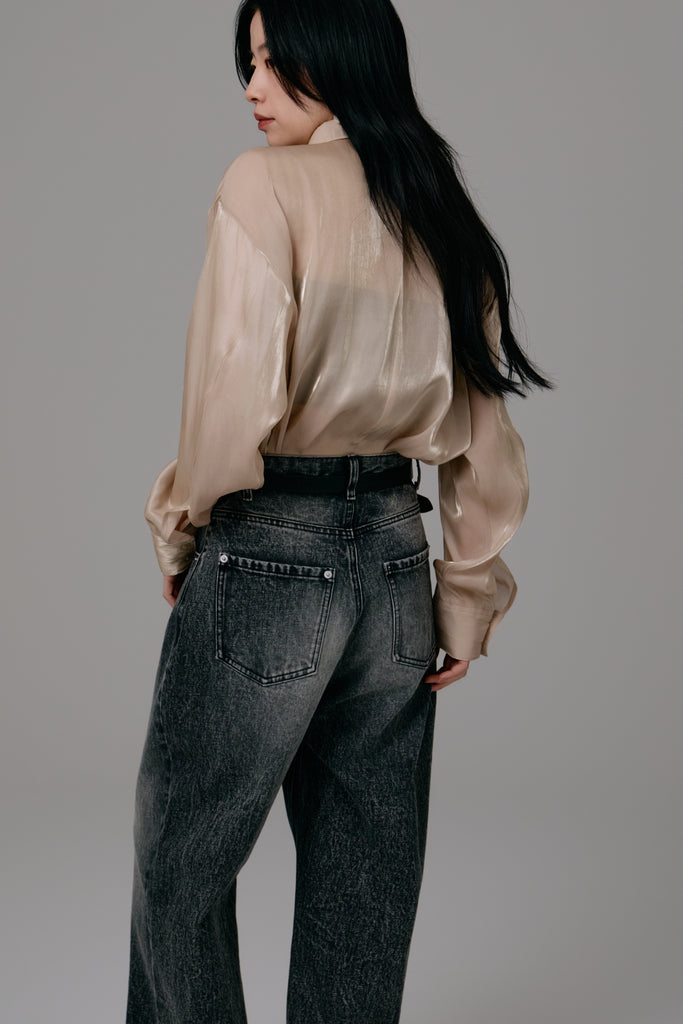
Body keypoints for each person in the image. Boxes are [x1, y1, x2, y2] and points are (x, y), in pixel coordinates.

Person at [125, 1, 555, 1021]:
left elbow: (229, 399)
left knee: (180, 864)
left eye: (274, 61)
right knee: (365, 884)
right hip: (397, 565)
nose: (251, 87)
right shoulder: (432, 199)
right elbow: (482, 428)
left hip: (270, 551)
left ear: (340, 55)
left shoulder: (262, 185)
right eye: (249, 62)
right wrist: (464, 593)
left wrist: (180, 529)